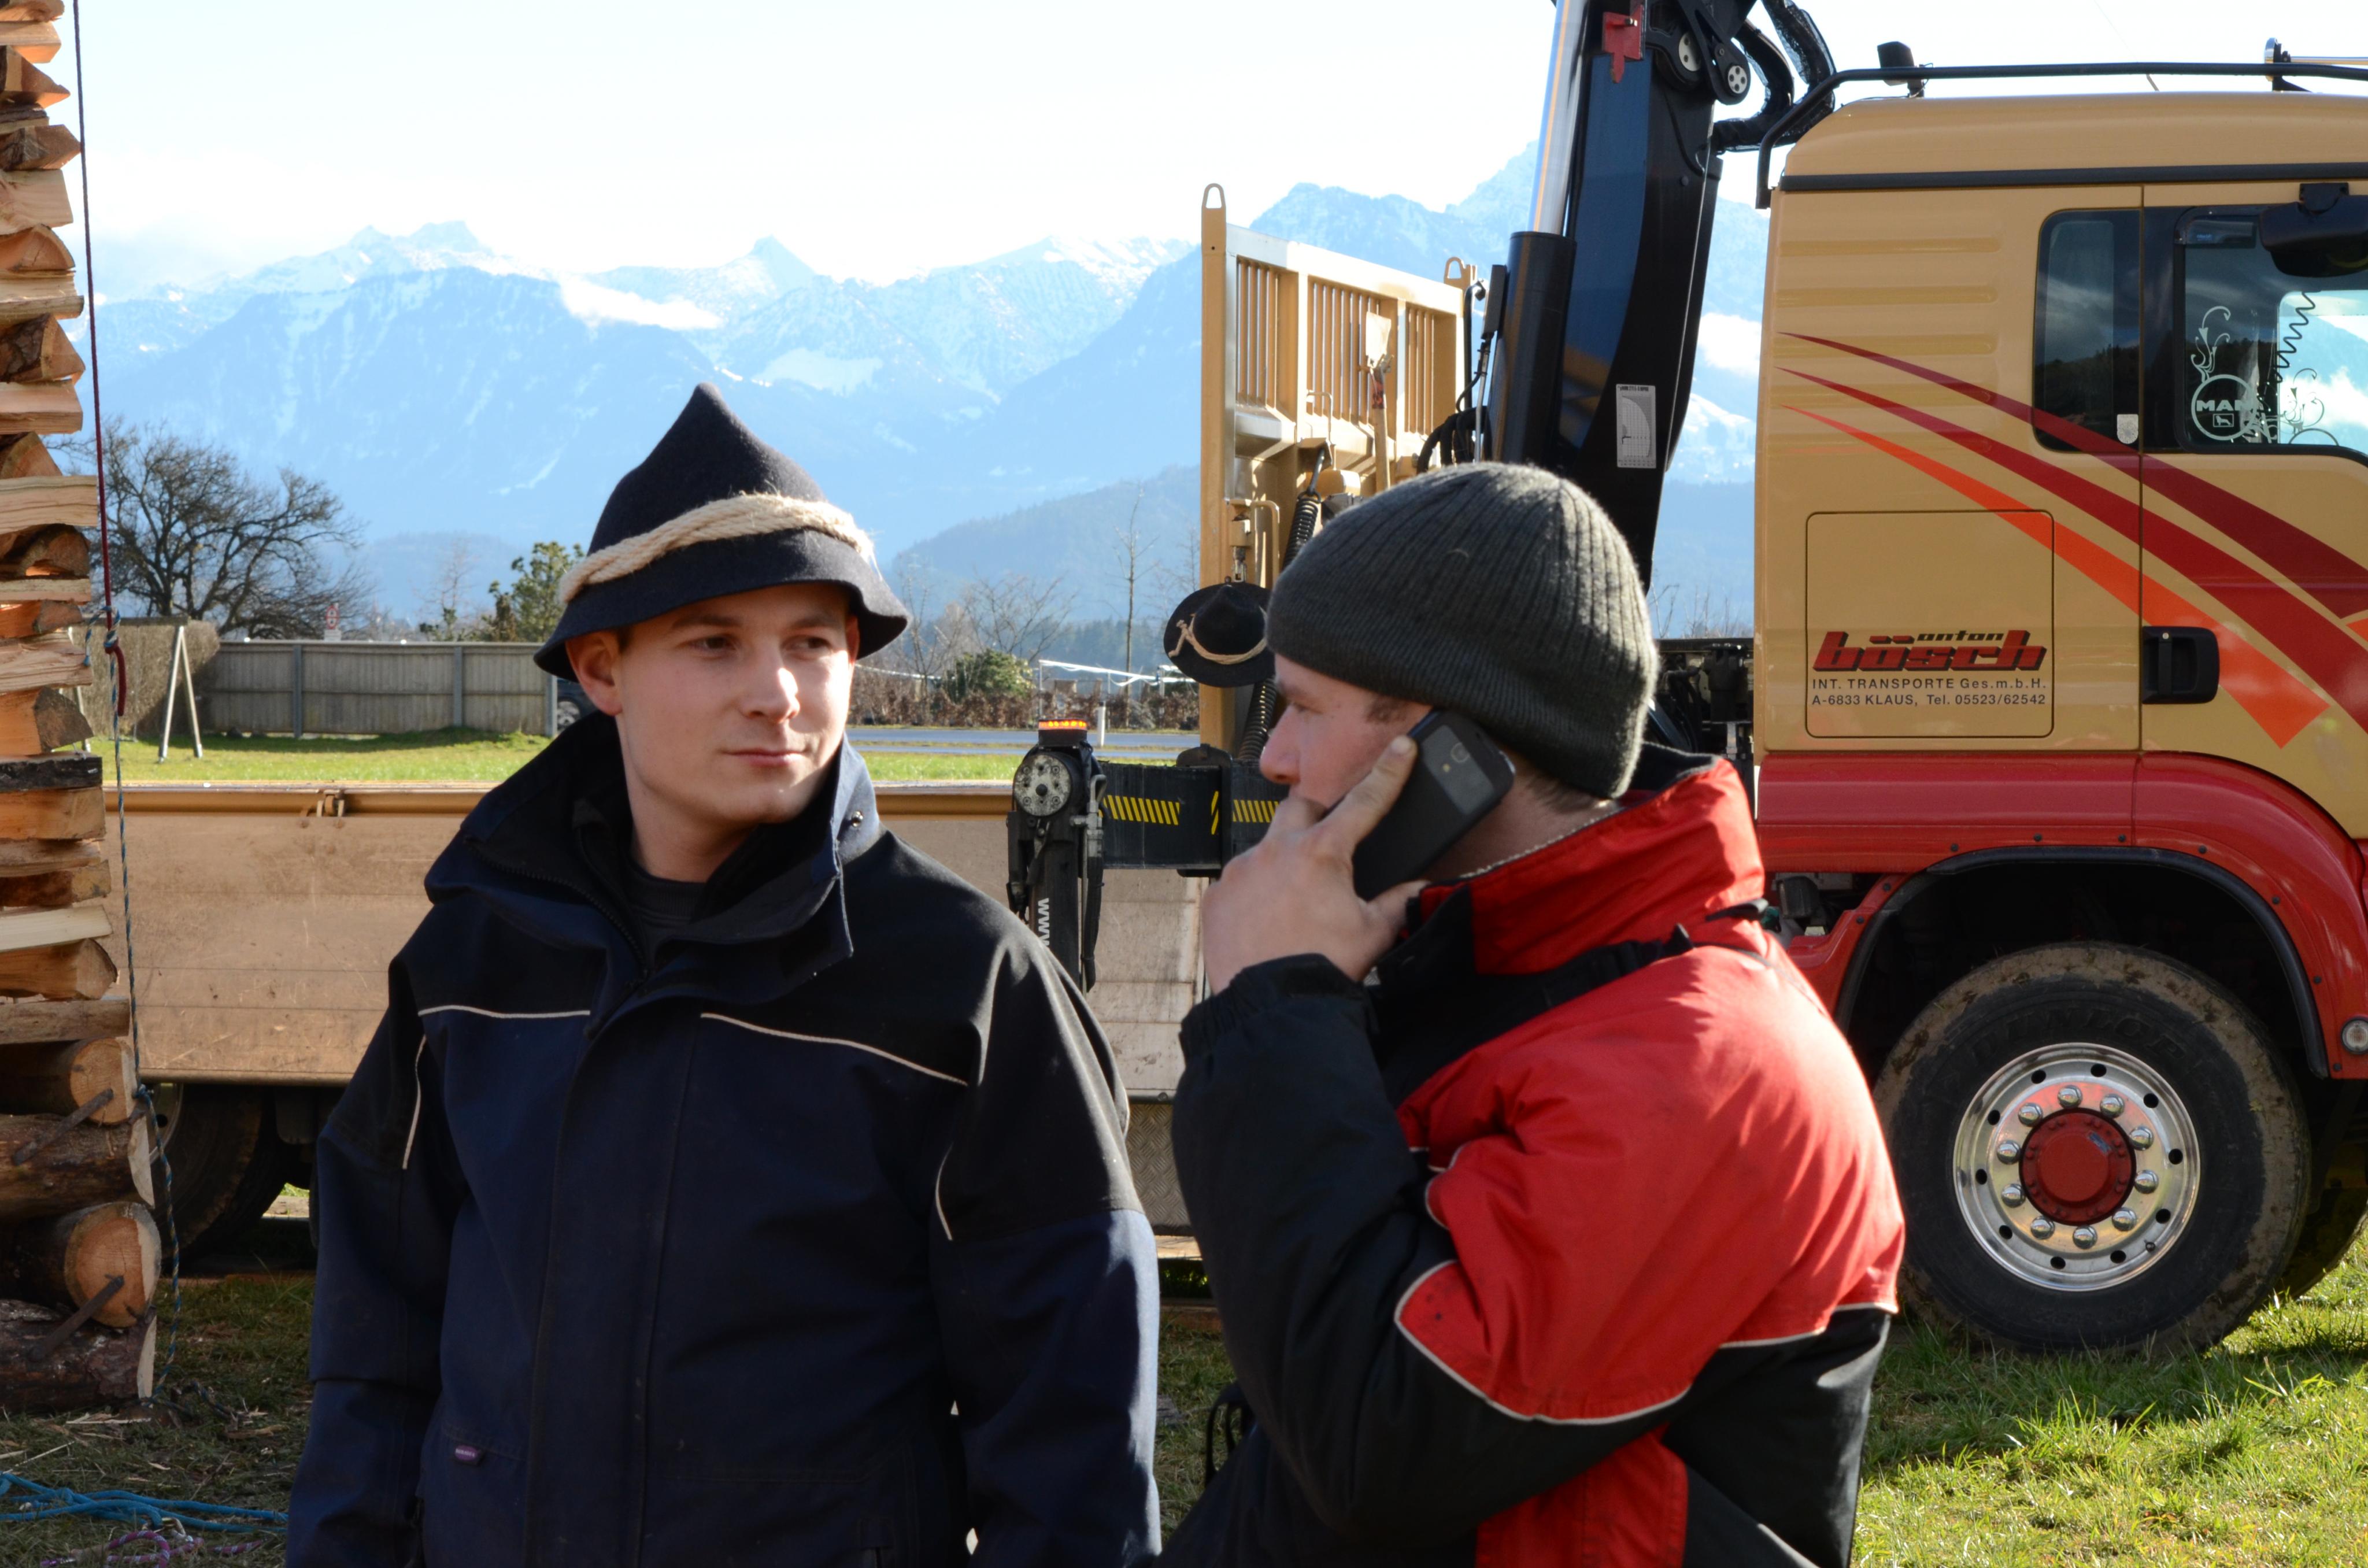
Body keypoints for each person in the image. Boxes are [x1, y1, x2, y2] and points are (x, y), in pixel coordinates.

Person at [288, 385, 1160, 1567]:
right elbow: (373, 1355)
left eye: (812, 643)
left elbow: (1074, 1437)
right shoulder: (470, 968)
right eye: (715, 645)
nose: (777, 693)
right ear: (603, 669)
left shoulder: (964, 988)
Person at [1163, 463, 1904, 1567]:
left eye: (1305, 708)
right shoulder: (1487, 979)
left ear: (1453, 750)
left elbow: (1378, 1441)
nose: (1273, 758)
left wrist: (1276, 1008)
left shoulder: (1701, 1062)